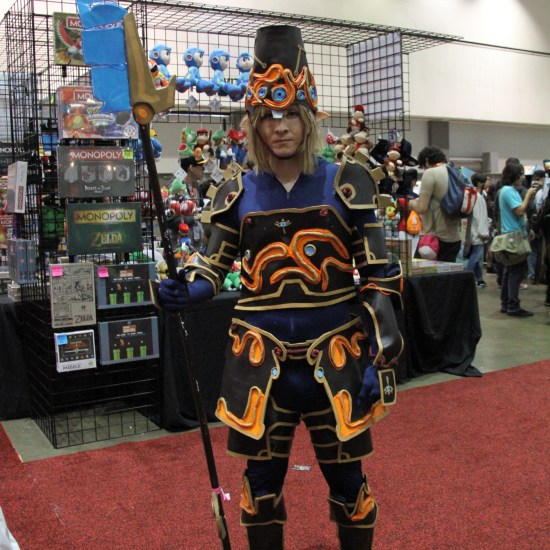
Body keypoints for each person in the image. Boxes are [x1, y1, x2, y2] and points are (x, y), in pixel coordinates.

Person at [158, 25, 403, 550]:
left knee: (350, 486)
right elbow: (212, 265)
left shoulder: (348, 181)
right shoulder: (236, 190)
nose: (280, 126)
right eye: (268, 116)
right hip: (259, 364)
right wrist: (187, 289)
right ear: (254, 123)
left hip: (336, 359)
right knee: (260, 490)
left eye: (290, 112)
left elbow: (381, 276)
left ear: (308, 116)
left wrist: (381, 356)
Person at [497, 162, 541, 316]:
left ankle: (506, 303)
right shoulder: (509, 191)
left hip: (513, 233)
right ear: (514, 176)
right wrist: (528, 195)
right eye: (521, 174)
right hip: (514, 236)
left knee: (509, 270)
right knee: (516, 271)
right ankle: (513, 305)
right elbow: (519, 211)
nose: (523, 177)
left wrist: (528, 229)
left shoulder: (505, 191)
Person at [408, 146, 462, 262]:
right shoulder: (457, 173)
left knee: (421, 272)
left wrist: (411, 203)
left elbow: (421, 208)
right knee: (449, 273)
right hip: (454, 239)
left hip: (433, 241)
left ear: (427, 160)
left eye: (423, 165)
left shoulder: (431, 173)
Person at [464, 173, 490, 287]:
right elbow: (480, 217)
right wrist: (484, 233)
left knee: (475, 256)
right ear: (480, 183)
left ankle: (480, 279)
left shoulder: (474, 195)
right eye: (485, 181)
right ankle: (466, 280)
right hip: (478, 232)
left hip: (473, 231)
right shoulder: (478, 197)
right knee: (475, 257)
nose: (487, 183)